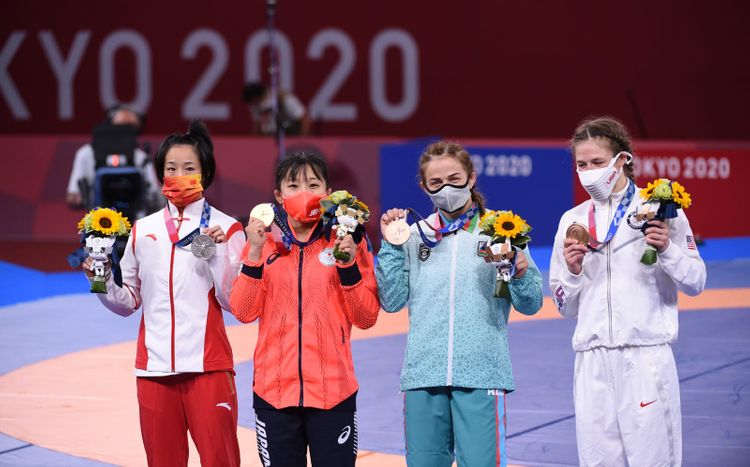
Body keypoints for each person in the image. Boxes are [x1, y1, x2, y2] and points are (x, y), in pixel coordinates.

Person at [82, 120, 244, 467]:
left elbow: (236, 303)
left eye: (189, 168)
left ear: (205, 173)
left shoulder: (227, 228)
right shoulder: (144, 229)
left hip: (208, 368)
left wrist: (215, 253)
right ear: (160, 173)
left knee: (221, 461)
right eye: (171, 168)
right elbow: (128, 302)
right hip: (154, 370)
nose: (179, 175)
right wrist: (102, 280)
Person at [549, 116, 706, 466]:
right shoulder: (571, 221)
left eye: (597, 163)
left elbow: (696, 281)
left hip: (644, 356)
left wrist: (667, 249)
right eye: (581, 165)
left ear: (623, 161)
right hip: (591, 361)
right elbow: (564, 305)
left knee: (653, 460)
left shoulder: (661, 210)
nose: (588, 172)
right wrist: (573, 273)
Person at [376, 141, 543, 467]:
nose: (447, 188)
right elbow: (392, 301)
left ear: (471, 177)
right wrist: (391, 245)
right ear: (424, 186)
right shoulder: (414, 236)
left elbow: (531, 303)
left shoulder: (501, 230)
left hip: (481, 374)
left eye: (454, 178)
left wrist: (520, 272)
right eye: (436, 183)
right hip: (424, 375)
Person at [230, 152, 379, 467]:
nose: (303, 193)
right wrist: (254, 252)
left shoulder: (347, 240)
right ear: (278, 196)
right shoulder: (264, 242)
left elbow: (366, 318)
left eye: (313, 184)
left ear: (327, 193)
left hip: (333, 393)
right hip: (274, 395)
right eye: (294, 185)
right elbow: (243, 311)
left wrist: (348, 264)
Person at [66, 105, 162, 212]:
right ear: (108, 125)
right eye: (120, 127)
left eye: (130, 128)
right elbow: (72, 196)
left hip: (137, 222)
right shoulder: (85, 154)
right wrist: (84, 197)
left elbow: (154, 196)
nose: (123, 132)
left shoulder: (141, 158)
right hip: (98, 221)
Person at [242, 81, 311, 136]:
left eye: (255, 102)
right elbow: (256, 128)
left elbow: (305, 120)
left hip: (290, 139)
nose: (254, 105)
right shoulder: (256, 106)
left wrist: (301, 143)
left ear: (258, 97)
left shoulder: (284, 99)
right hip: (270, 142)